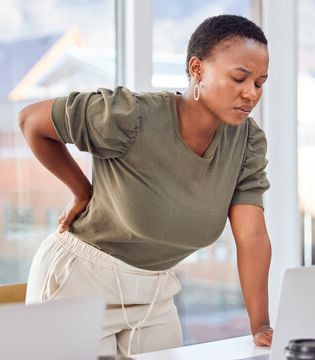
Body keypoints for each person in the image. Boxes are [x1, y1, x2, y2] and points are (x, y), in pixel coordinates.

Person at [19, 15, 273, 356]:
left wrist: (260, 326)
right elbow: (32, 121)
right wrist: (82, 191)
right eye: (239, 78)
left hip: (154, 291)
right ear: (197, 69)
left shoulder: (247, 142)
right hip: (79, 282)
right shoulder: (130, 116)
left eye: (260, 82)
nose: (251, 93)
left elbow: (252, 236)